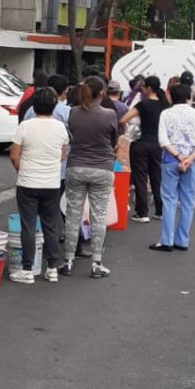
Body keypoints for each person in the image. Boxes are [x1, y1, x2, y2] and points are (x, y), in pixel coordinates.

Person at [10, 87, 70, 284]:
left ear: (34, 105)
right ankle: (52, 267)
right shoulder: (60, 127)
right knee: (50, 225)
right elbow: (63, 153)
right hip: (51, 182)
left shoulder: (25, 126)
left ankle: (27, 269)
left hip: (27, 181)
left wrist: (23, 169)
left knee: (28, 225)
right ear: (54, 105)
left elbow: (14, 155)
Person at [61, 76, 119, 279]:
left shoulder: (73, 113)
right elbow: (113, 141)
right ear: (102, 92)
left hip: (76, 166)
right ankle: (96, 263)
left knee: (73, 214)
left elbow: (72, 135)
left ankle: (67, 261)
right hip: (102, 168)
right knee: (98, 216)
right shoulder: (110, 114)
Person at [150, 84, 195, 252]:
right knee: (188, 201)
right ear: (189, 97)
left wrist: (178, 156)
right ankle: (182, 240)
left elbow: (163, 140)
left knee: (168, 199)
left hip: (170, 159)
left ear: (170, 97)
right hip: (192, 161)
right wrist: (189, 159)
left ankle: (166, 240)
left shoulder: (166, 114)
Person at [122, 76, 168, 223]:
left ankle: (142, 212)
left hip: (141, 144)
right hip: (158, 145)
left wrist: (131, 129)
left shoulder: (143, 104)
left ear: (148, 88)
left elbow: (123, 119)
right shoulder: (164, 106)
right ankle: (160, 210)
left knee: (140, 179)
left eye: (143, 87)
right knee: (157, 178)